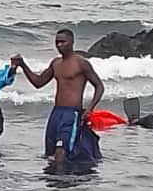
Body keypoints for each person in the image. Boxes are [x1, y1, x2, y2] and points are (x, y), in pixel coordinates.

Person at [13, 29, 105, 166]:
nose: (59, 45)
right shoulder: (55, 63)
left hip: (72, 114)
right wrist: (23, 65)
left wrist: (90, 109)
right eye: (57, 42)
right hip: (56, 113)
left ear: (72, 42)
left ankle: (63, 184)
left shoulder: (81, 63)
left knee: (61, 152)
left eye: (63, 42)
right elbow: (38, 83)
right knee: (49, 153)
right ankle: (53, 184)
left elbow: (99, 86)